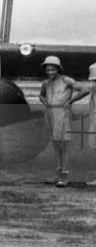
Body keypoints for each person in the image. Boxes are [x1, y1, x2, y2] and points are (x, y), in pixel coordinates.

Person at [38, 55, 86, 187]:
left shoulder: (66, 80)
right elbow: (41, 95)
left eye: (53, 70)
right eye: (48, 70)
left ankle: (64, 177)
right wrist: (45, 102)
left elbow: (85, 90)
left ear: (58, 69)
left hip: (63, 114)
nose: (50, 72)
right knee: (55, 145)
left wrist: (71, 101)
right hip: (50, 114)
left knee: (62, 146)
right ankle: (57, 175)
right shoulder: (46, 83)